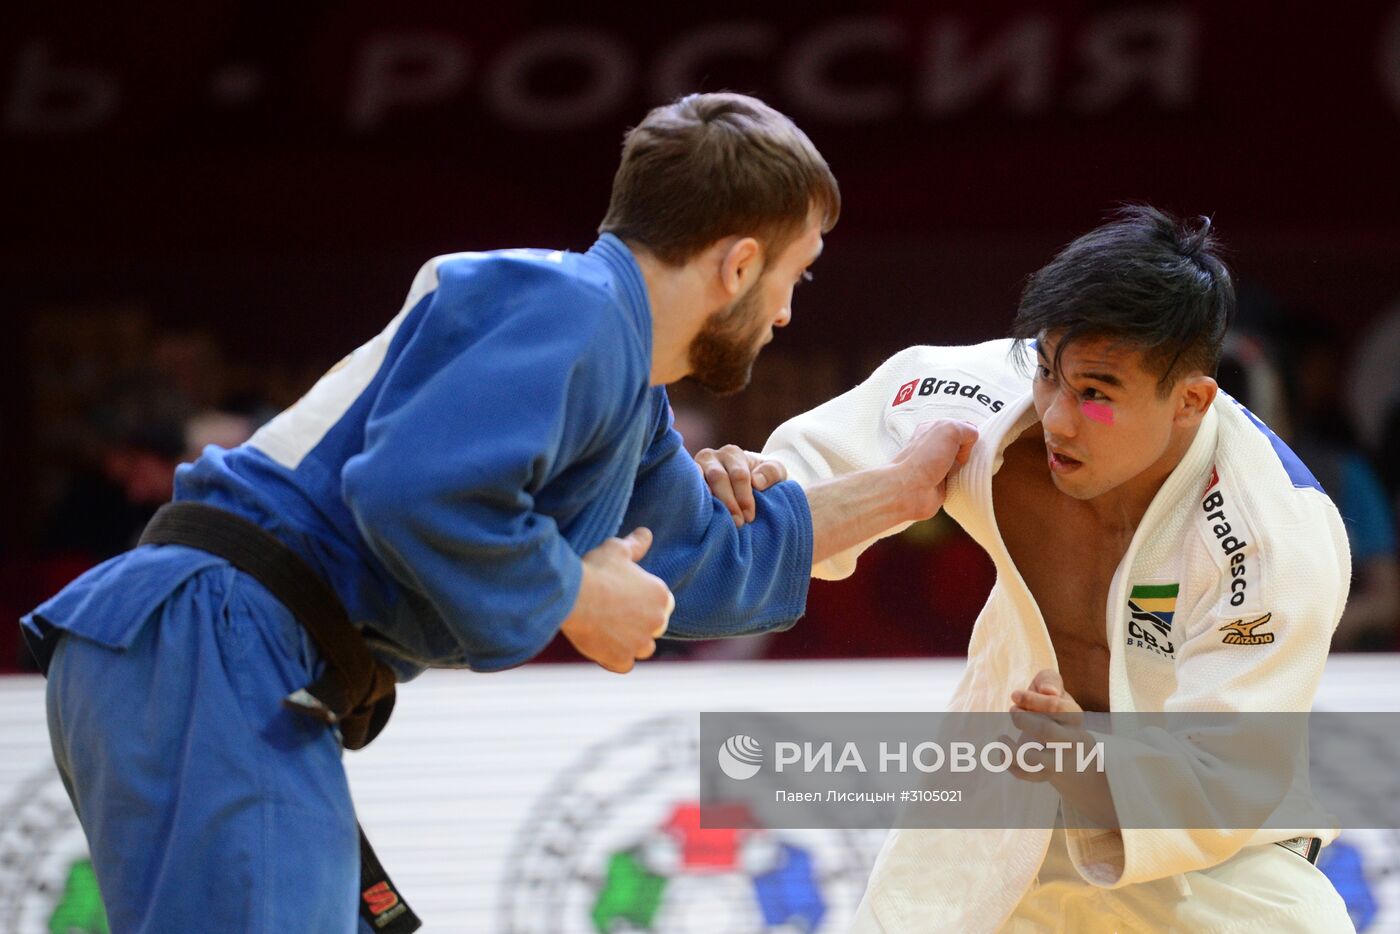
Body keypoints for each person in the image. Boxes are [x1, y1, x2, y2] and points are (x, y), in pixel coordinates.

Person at [20, 92, 977, 934]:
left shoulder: (624, 394)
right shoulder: (565, 302)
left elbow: (711, 562)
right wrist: (572, 593)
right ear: (736, 264)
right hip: (215, 636)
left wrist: (908, 485)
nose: (786, 315)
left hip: (233, 656)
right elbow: (408, 491)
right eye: (793, 276)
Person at [703, 206, 1353, 931]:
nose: (1058, 418)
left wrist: (1090, 766)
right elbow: (805, 481)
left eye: (1097, 394)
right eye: (1048, 372)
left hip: (1218, 861)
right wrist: (749, 480)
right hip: (1004, 810)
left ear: (1191, 401)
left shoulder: (1271, 535)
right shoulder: (973, 398)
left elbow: (1224, 780)